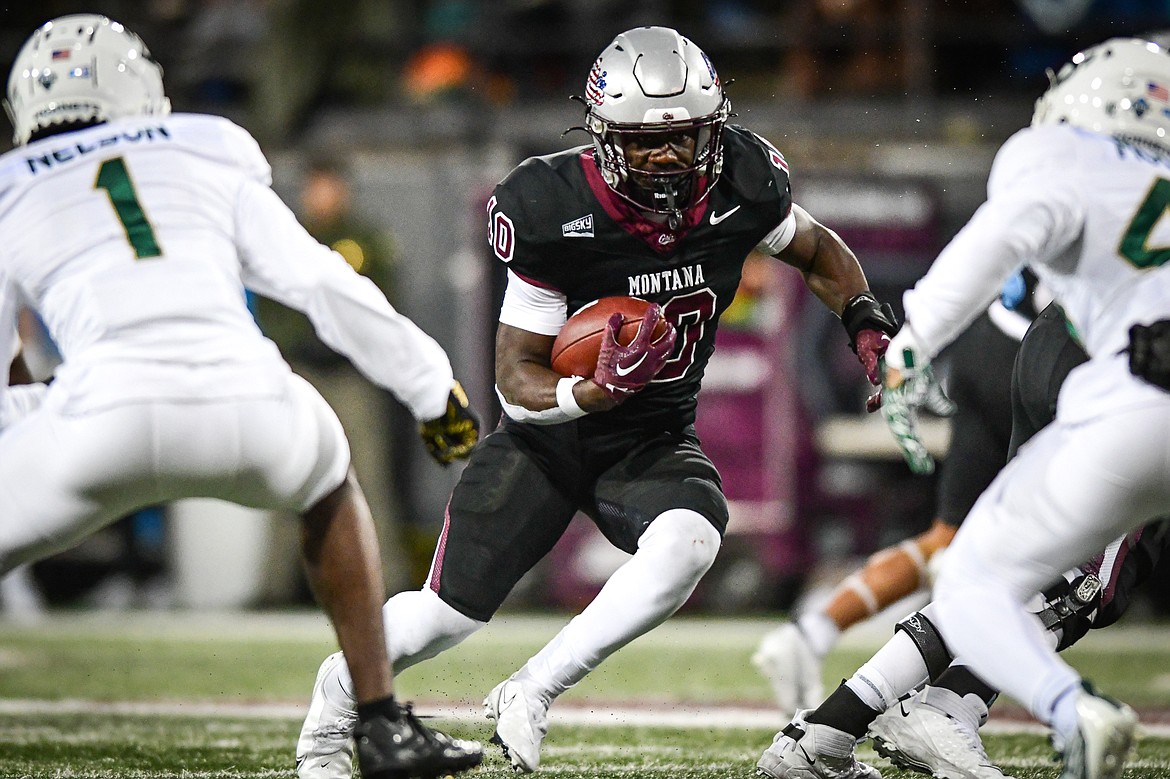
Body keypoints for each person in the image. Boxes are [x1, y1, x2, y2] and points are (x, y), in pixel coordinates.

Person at [295, 25, 899, 777]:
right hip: (546, 440)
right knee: (443, 616)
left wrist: (864, 316)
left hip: (649, 433)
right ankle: (333, 705)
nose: (666, 157)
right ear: (602, 136)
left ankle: (534, 687)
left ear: (714, 129)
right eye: (644, 141)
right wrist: (588, 387)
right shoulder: (554, 207)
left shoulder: (745, 180)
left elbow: (813, 248)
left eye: (684, 136)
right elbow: (516, 378)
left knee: (691, 541)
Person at [0, 14, 482, 779]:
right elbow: (322, 282)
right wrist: (431, 387)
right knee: (330, 474)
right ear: (142, 86)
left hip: (97, 421)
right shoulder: (207, 148)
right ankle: (382, 721)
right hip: (248, 406)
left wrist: (34, 415)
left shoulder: (12, 188)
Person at [878, 37, 1170, 779]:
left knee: (992, 578)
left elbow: (996, 240)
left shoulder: (1060, 157)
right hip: (1111, 380)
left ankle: (1069, 707)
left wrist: (912, 343)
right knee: (1079, 578)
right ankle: (906, 716)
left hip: (1120, 389)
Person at [759, 303, 1169, 779]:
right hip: (1115, 360)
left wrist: (917, 341)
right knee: (1087, 581)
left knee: (1003, 560)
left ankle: (828, 728)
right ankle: (943, 708)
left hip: (1030, 338)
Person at [752, 275, 1045, 717]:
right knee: (1046, 554)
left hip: (989, 342)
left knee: (949, 538)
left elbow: (977, 256)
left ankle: (812, 632)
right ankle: (947, 709)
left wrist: (913, 343)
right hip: (1038, 357)